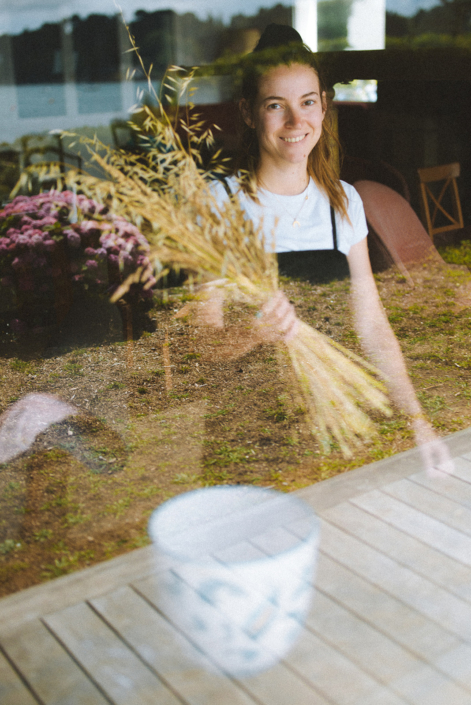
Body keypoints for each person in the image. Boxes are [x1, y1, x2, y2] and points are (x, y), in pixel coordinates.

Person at [196, 24, 453, 475]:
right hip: (248, 439)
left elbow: (372, 326)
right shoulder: (219, 204)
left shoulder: (342, 201)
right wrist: (253, 333)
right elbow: (197, 345)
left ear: (323, 106)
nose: (297, 123)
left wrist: (417, 420)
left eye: (307, 103)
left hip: (333, 426)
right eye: (277, 106)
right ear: (250, 113)